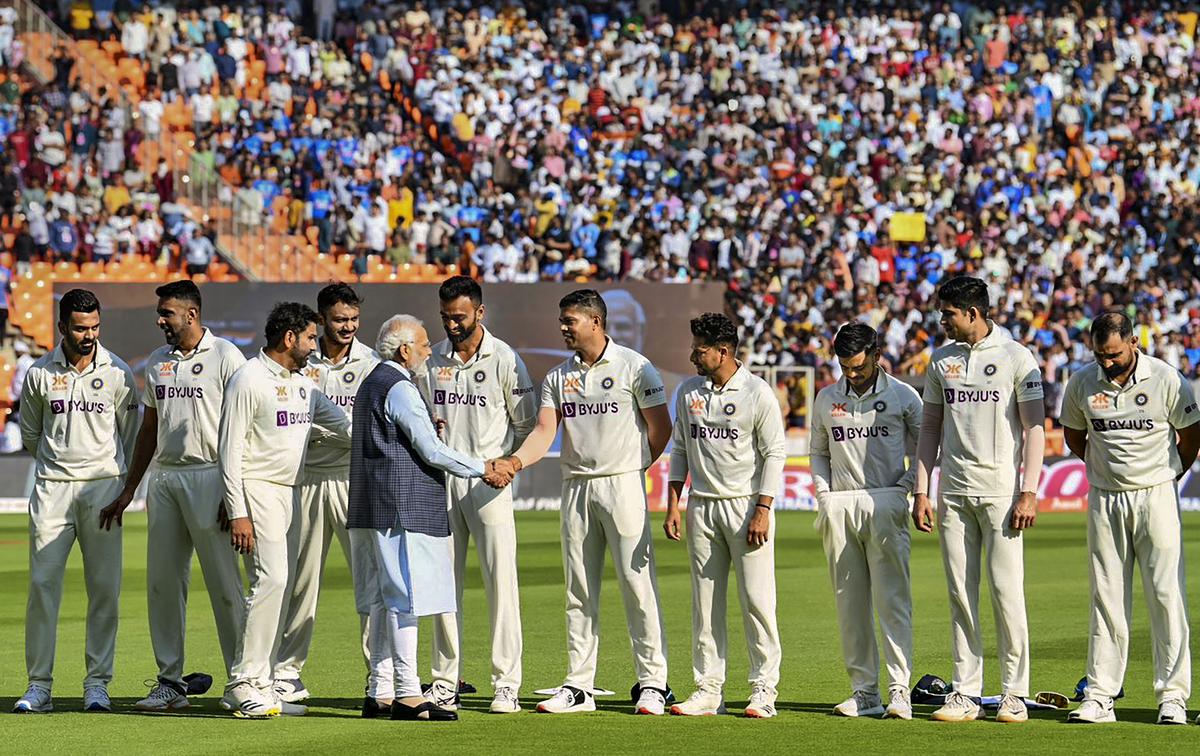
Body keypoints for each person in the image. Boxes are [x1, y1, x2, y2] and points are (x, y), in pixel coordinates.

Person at [495, 289, 673, 715]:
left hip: (623, 485)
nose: (563, 327)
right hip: (576, 487)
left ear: (595, 321)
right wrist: (516, 461)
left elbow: (660, 428)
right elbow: (543, 431)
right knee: (578, 589)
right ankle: (579, 686)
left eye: (570, 320)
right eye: (562, 320)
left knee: (636, 585)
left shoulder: (635, 366)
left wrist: (635, 467)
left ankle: (653, 682)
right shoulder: (558, 377)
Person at [98, 280, 248, 712]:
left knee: (225, 584)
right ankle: (170, 682)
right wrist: (130, 488)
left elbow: (243, 427)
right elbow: (149, 428)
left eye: (167, 313)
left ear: (192, 314)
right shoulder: (160, 361)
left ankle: (244, 678)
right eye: (159, 312)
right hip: (164, 479)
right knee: (163, 585)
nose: (160, 320)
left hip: (211, 476)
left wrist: (234, 493)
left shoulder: (225, 356)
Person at [347, 314, 502, 722]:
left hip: (373, 503)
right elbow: (432, 451)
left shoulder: (371, 383)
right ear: (404, 350)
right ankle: (409, 693)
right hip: (401, 504)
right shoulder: (399, 386)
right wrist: (483, 466)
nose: (429, 351)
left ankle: (380, 690)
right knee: (405, 599)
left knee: (383, 600)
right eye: (423, 345)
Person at [912, 275, 1045, 723]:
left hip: (1003, 494)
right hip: (953, 493)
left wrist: (1029, 491)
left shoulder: (1015, 356)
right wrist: (921, 490)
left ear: (972, 313)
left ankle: (1015, 693)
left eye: (948, 313)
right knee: (960, 595)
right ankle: (966, 693)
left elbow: (1035, 429)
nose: (941, 320)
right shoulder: (941, 360)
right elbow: (930, 428)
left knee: (1007, 594)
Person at [1059, 312, 1200, 725]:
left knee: (1165, 595)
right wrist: (1104, 471)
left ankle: (1172, 697)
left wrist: (1169, 473)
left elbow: (1191, 434)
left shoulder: (1166, 378)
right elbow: (1073, 435)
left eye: (1115, 354)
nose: (1107, 363)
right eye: (1100, 355)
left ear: (1133, 342)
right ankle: (1100, 696)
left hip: (1156, 494)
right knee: (1106, 598)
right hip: (1105, 499)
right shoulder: (1083, 381)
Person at [218, 302, 351, 718]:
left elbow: (347, 426)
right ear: (290, 337)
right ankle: (243, 682)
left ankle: (262, 684)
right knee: (270, 580)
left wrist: (403, 429)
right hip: (256, 489)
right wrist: (237, 511)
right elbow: (229, 451)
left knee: (280, 584)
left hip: (290, 492)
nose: (316, 345)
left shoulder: (304, 384)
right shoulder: (248, 379)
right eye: (311, 337)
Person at [13, 289, 139, 714]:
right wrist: (58, 466)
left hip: (103, 492)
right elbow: (32, 433)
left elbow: (130, 435)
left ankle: (97, 684)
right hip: (52, 489)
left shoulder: (118, 372)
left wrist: (117, 485)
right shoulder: (39, 374)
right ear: (62, 326)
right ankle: (39, 686)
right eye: (81, 328)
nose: (89, 336)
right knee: (42, 588)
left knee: (104, 591)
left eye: (95, 328)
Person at [662, 312, 785, 718]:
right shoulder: (688, 391)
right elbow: (679, 449)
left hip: (747, 505)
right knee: (705, 603)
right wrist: (674, 503)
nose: (693, 355)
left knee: (757, 602)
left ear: (723, 351)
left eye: (700, 349)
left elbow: (774, 454)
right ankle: (708, 689)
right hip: (703, 506)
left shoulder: (757, 392)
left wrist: (763, 510)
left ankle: (763, 689)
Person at [424, 276, 537, 715]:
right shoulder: (432, 359)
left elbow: (526, 425)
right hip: (444, 481)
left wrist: (508, 464)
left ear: (480, 313)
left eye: (460, 317)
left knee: (500, 583)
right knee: (442, 587)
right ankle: (444, 680)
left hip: (490, 484)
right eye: (446, 317)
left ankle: (506, 683)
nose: (452, 325)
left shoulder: (505, 358)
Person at [808, 323, 922, 720]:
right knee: (849, 605)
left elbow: (926, 447)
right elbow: (818, 451)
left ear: (876, 354)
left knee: (893, 601)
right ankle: (865, 692)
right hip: (840, 504)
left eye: (858, 367)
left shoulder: (903, 395)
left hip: (886, 502)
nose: (852, 375)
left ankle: (898, 690)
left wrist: (905, 488)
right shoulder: (827, 397)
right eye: (845, 368)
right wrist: (824, 495)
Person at [273, 283, 380, 703]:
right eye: (339, 320)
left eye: (354, 320)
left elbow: (368, 424)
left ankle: (379, 672)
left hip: (355, 480)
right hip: (307, 478)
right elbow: (289, 415)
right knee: (299, 582)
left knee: (369, 581)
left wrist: (329, 430)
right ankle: (286, 672)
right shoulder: (301, 357)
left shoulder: (371, 363)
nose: (348, 327)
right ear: (320, 319)